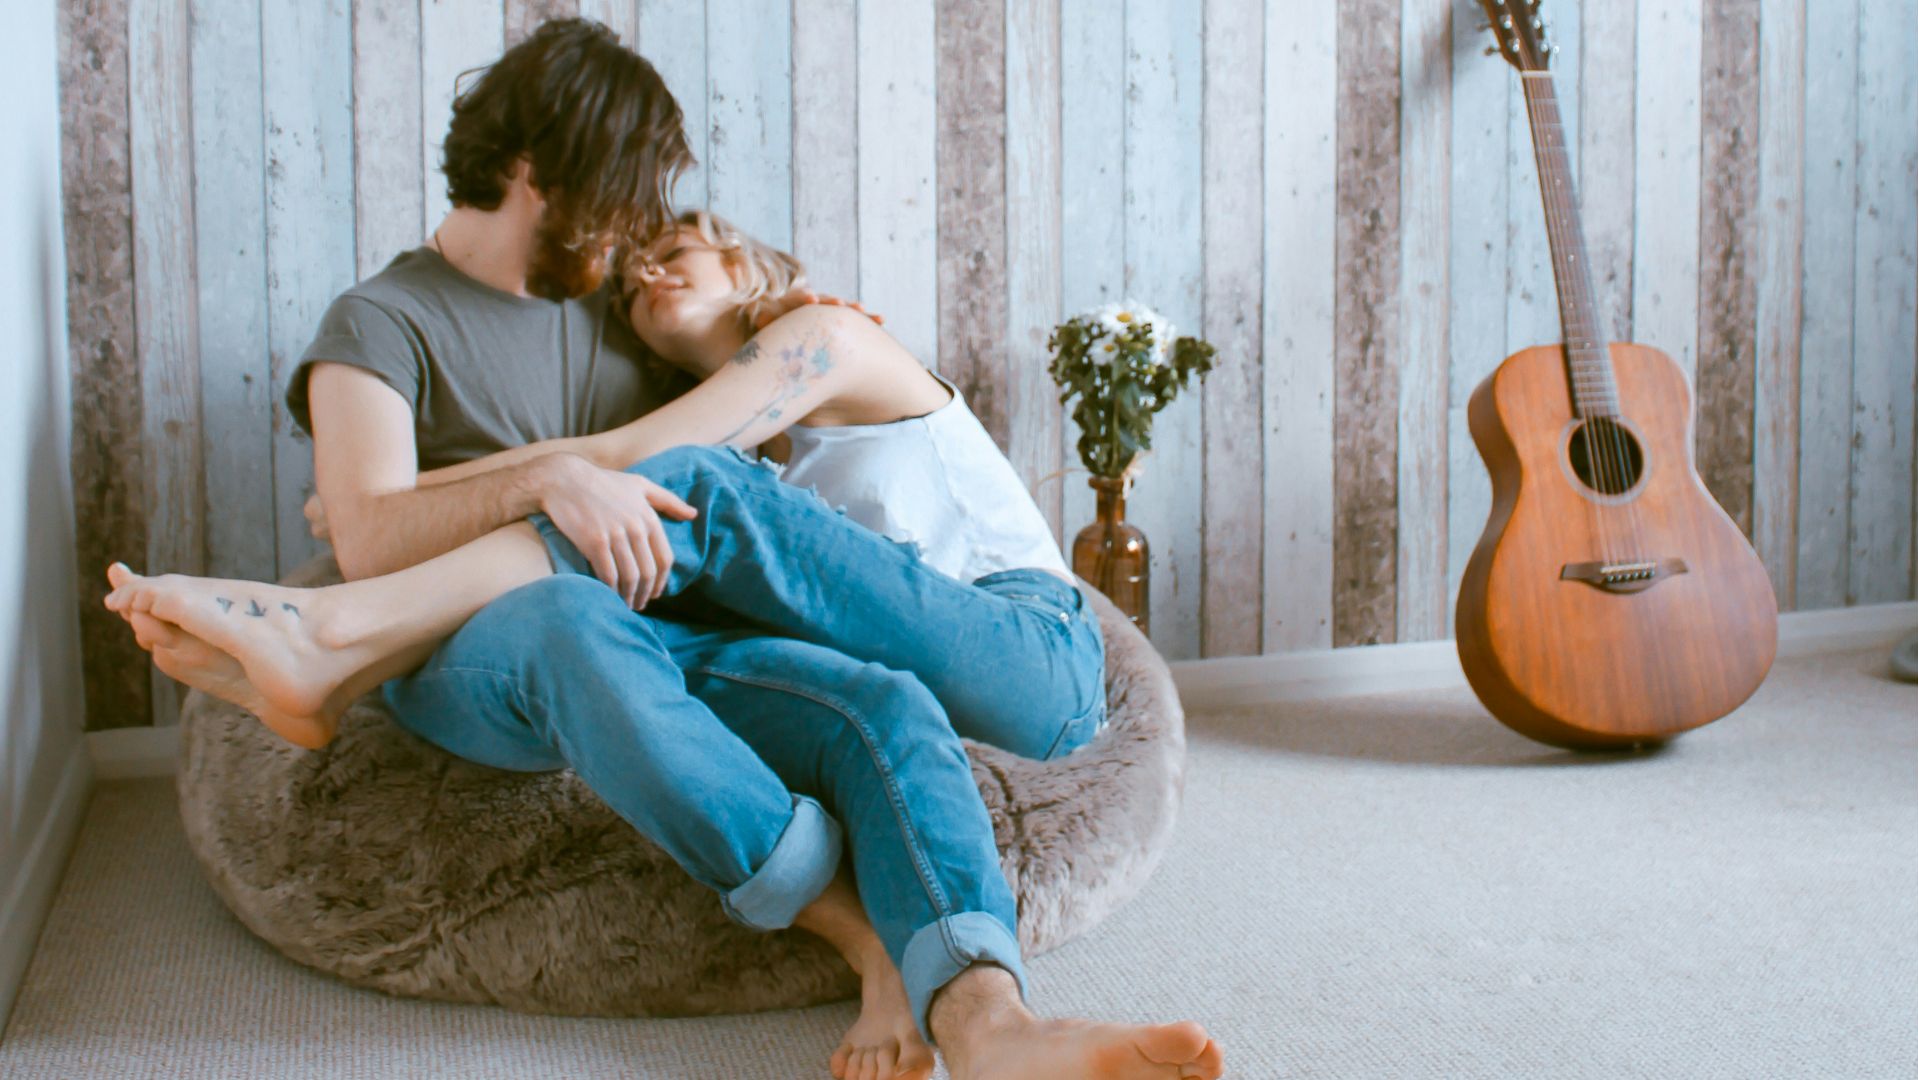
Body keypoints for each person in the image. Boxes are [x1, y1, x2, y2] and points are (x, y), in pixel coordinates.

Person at [106, 19, 1224, 1080]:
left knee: (881, 702)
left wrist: (571, 459)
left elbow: (696, 463)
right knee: (569, 616)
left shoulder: (624, 314)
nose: (638, 243)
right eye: (627, 203)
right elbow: (365, 531)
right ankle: (847, 926)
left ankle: (991, 1022)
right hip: (495, 647)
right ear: (545, 171)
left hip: (686, 630)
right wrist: (542, 480)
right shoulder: (378, 325)